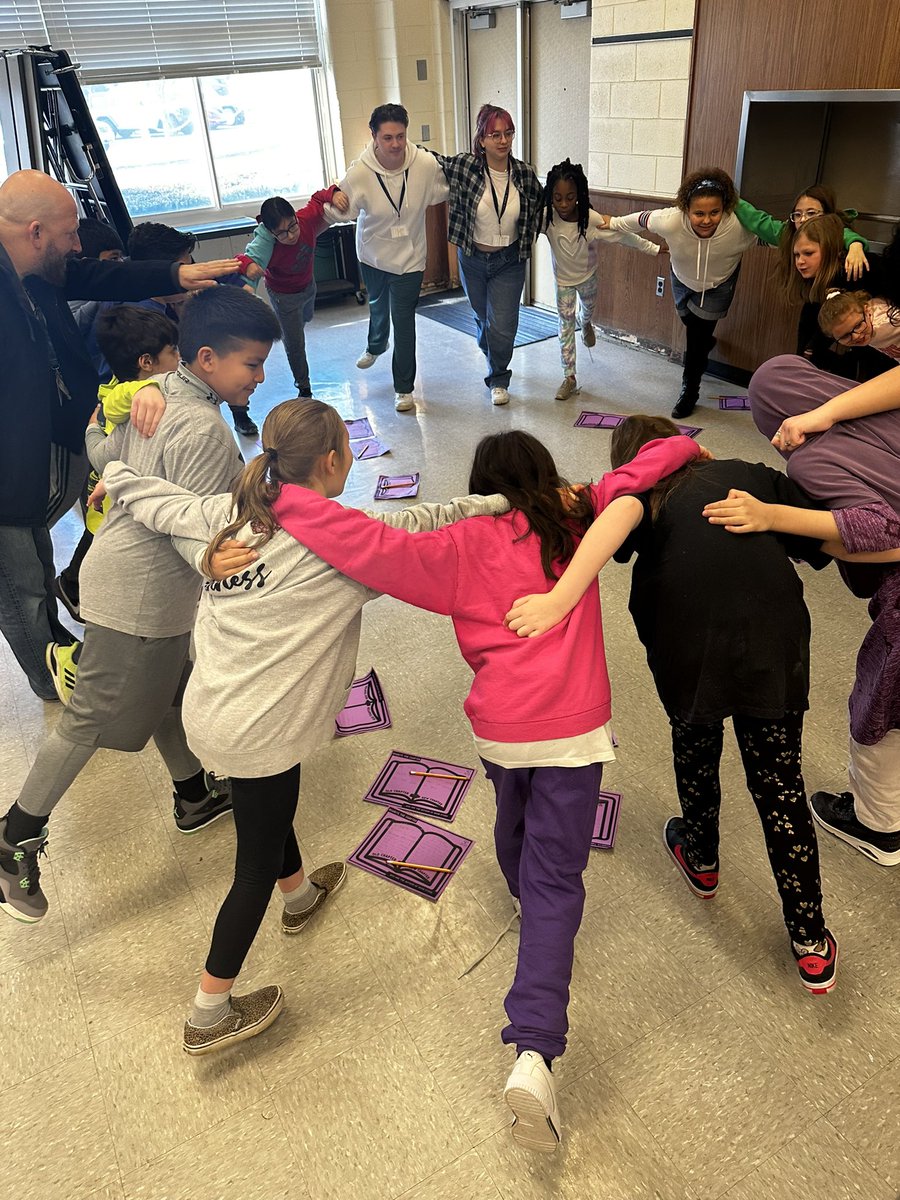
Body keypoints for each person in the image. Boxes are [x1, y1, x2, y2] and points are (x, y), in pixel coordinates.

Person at [255, 426, 703, 1150]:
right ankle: (534, 1050)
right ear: (546, 476)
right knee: (558, 879)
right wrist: (685, 445)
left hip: (502, 729)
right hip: (573, 732)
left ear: (482, 487)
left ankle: (523, 898)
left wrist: (282, 497)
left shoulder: (462, 542)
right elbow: (648, 465)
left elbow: (367, 544)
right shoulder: (575, 516)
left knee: (512, 818)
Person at [94, 400, 513, 1056]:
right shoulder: (349, 544)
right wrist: (500, 504)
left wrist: (116, 477)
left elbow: (160, 502)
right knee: (252, 863)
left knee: (266, 806)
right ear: (333, 460)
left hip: (215, 714)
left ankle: (298, 897)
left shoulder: (229, 510)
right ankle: (209, 1012)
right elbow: (430, 522)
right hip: (261, 729)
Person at [504, 414, 840, 994]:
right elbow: (823, 540)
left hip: (687, 649)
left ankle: (702, 860)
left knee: (695, 749)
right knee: (780, 788)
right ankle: (810, 942)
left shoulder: (638, 500)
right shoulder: (748, 474)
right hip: (773, 645)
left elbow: (589, 526)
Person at [0, 286, 282, 929]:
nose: (260, 377)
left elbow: (102, 455)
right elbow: (189, 523)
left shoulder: (155, 393)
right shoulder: (205, 427)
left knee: (171, 688)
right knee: (90, 717)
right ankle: (14, 837)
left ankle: (192, 792)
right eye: (252, 363)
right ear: (206, 358)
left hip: (123, 575)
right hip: (142, 592)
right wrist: (215, 556)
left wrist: (109, 426)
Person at [0, 169, 239, 701]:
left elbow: (97, 276)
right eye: (69, 234)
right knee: (17, 580)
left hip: (32, 449)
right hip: (7, 467)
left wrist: (176, 275)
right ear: (35, 233)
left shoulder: (34, 268)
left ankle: (59, 653)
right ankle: (52, 682)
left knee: (35, 560)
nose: (77, 245)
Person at [737, 355, 900, 865]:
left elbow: (884, 533)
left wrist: (778, 519)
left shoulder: (812, 459)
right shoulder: (876, 406)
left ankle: (878, 828)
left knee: (882, 707)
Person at [52, 306, 181, 633]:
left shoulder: (123, 382)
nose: (180, 359)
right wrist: (146, 388)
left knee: (96, 540)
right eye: (173, 352)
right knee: (98, 544)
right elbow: (115, 402)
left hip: (111, 494)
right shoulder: (126, 392)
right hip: (108, 499)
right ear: (146, 363)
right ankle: (71, 585)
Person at [600, 167, 757, 419]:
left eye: (714, 212)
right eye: (699, 213)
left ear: (725, 209)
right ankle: (705, 344)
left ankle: (689, 391)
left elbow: (770, 236)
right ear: (686, 210)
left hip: (719, 285)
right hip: (682, 280)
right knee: (689, 322)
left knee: (695, 337)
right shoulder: (671, 220)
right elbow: (641, 219)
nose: (707, 220)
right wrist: (613, 222)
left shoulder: (737, 227)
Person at [326, 103, 449, 412]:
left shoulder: (424, 164)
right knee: (378, 306)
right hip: (373, 256)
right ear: (374, 137)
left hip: (411, 257)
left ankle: (404, 388)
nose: (396, 144)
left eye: (401, 136)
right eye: (388, 138)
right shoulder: (360, 173)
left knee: (404, 321)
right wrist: (329, 198)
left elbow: (446, 188)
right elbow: (339, 209)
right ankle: (376, 344)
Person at [430, 104, 544, 406]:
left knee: (503, 325)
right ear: (481, 139)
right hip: (473, 259)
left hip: (509, 260)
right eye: (495, 135)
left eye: (508, 133)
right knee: (483, 319)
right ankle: (492, 353)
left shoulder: (524, 173)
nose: (503, 140)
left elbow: (544, 207)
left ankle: (498, 378)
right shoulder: (466, 167)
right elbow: (431, 160)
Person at [542, 158, 661, 401]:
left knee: (587, 311)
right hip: (563, 281)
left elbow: (623, 236)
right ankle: (569, 377)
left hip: (588, 277)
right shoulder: (547, 217)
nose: (563, 204)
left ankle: (586, 323)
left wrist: (653, 248)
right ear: (550, 197)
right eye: (557, 198)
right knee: (564, 326)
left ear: (579, 195)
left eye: (570, 197)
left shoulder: (590, 218)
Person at [236, 187, 350, 399]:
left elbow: (318, 198)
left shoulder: (304, 220)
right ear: (271, 232)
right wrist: (248, 266)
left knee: (306, 318)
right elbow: (245, 258)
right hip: (284, 297)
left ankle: (296, 327)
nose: (290, 235)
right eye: (282, 233)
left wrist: (334, 194)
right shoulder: (266, 243)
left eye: (292, 226)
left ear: (295, 217)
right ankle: (304, 387)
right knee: (295, 344)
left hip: (308, 286)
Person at [781, 214, 888, 379]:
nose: (800, 261)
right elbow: (809, 325)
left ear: (829, 251)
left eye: (808, 253)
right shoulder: (820, 283)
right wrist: (804, 355)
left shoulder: (854, 270)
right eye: (796, 255)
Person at [734, 184, 869, 277]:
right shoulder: (789, 232)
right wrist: (730, 198)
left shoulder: (834, 233)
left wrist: (855, 245)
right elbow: (758, 221)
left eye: (811, 213)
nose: (803, 219)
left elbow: (844, 234)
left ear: (827, 215)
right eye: (798, 214)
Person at [817, 290, 900, 363]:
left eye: (858, 325)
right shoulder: (866, 324)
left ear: (867, 311)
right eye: (845, 336)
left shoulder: (885, 323)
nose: (856, 336)